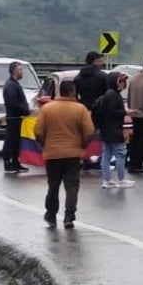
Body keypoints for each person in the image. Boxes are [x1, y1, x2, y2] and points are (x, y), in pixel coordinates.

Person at [35, 79, 95, 228]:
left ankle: (51, 215)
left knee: (53, 186)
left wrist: (46, 144)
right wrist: (82, 145)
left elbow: (38, 131)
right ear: (73, 91)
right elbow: (89, 132)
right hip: (73, 154)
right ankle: (69, 216)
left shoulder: (47, 109)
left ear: (59, 91)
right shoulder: (80, 109)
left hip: (53, 153)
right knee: (72, 186)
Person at [94, 71, 133, 188]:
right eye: (121, 81)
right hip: (114, 129)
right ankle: (121, 179)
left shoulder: (108, 94)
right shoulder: (113, 95)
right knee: (121, 153)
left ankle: (107, 180)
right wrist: (125, 112)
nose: (123, 84)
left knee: (107, 154)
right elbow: (112, 112)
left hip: (106, 130)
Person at [1, 61, 31, 174]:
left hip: (18, 117)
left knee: (16, 141)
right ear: (14, 71)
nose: (22, 72)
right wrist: (25, 110)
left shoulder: (15, 84)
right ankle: (7, 162)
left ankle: (15, 162)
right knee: (10, 140)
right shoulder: (11, 86)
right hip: (13, 117)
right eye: (20, 70)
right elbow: (14, 103)